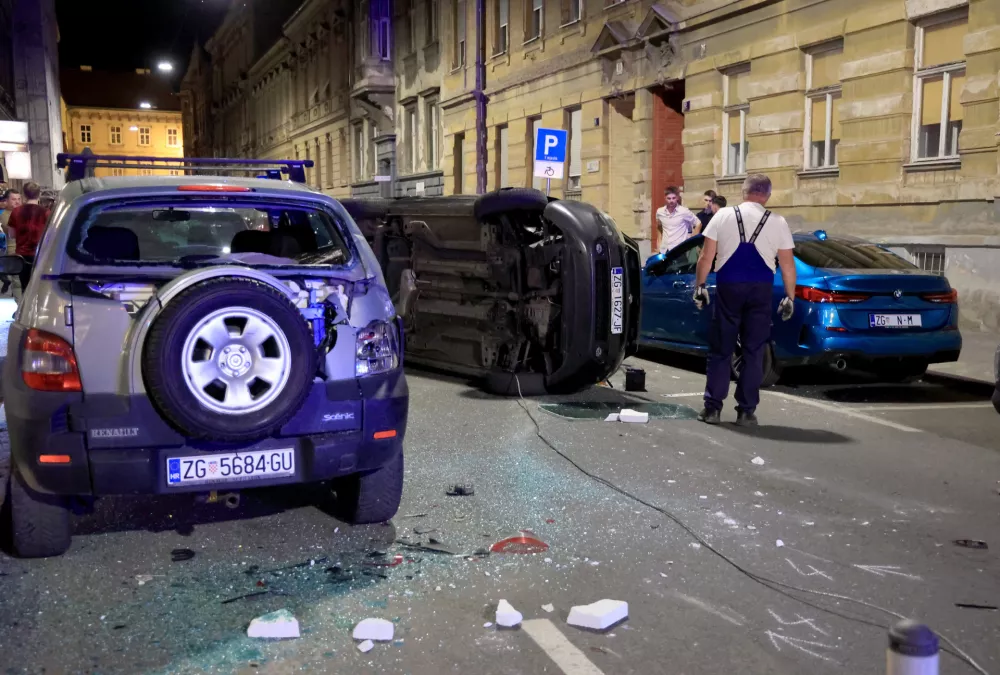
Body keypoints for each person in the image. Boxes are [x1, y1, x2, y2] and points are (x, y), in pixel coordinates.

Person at [692, 173, 797, 426]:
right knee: (753, 350)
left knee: (721, 349)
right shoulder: (778, 222)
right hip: (761, 290)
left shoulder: (723, 216)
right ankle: (746, 412)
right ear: (767, 195)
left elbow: (706, 257)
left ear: (743, 192)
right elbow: (787, 265)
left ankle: (713, 409)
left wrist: (700, 285)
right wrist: (790, 297)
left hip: (729, 287)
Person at [6, 182, 51, 294]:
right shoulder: (46, 212)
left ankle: (25, 310)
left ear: (24, 195)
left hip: (22, 256)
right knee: (40, 289)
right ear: (39, 194)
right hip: (40, 255)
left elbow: (11, 234)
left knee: (25, 289)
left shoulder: (16, 212)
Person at [656, 186, 699, 254]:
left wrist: (692, 241)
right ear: (665, 198)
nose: (671, 201)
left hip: (679, 250)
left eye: (673, 198)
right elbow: (659, 227)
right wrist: (659, 244)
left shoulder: (684, 211)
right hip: (664, 250)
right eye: (669, 198)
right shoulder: (660, 212)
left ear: (677, 198)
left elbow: (698, 223)